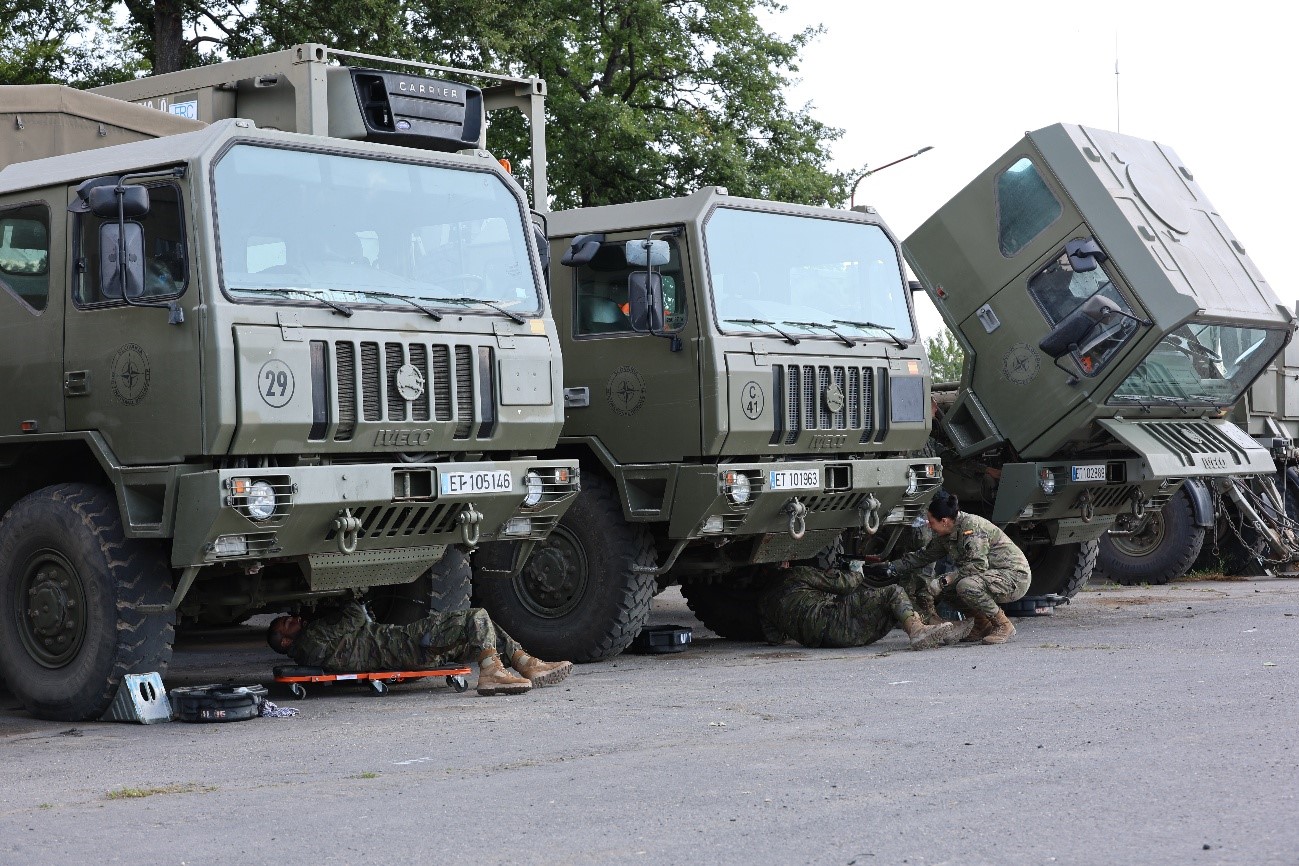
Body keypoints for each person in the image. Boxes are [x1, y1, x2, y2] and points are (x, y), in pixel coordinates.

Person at [267, 601, 572, 696]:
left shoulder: (311, 646)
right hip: (405, 645)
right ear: (285, 642)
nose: (294, 620)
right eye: (286, 623)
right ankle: (493, 671)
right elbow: (356, 617)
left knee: (481, 625)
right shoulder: (312, 638)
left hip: (402, 648)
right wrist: (341, 600)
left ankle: (525, 662)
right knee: (476, 616)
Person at [874, 489, 1031, 644]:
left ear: (944, 521)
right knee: (946, 590)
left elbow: (977, 566)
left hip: (1014, 577)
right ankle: (982, 624)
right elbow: (923, 556)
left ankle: (1003, 625)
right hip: (991, 576)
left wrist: (945, 579)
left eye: (931, 522)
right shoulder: (946, 534)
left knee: (965, 586)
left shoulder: (971, 528)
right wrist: (891, 567)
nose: (928, 526)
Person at [757, 559, 974, 651]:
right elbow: (845, 584)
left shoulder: (763, 602)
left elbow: (775, 639)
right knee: (893, 592)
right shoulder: (796, 574)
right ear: (783, 564)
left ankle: (937, 628)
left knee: (889, 606)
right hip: (836, 621)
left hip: (827, 642)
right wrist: (857, 570)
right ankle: (919, 631)